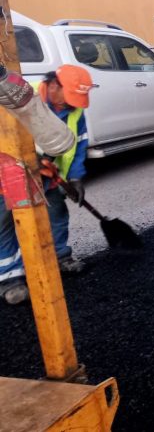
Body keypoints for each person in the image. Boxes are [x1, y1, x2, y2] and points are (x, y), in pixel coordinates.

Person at [1, 65, 92, 306]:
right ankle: (10, 278)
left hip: (47, 175)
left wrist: (75, 178)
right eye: (68, 97)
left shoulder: (74, 112)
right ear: (53, 85)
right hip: (9, 174)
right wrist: (32, 158)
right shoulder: (19, 97)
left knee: (56, 213)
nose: (70, 104)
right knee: (5, 223)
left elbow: (79, 145)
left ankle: (59, 257)